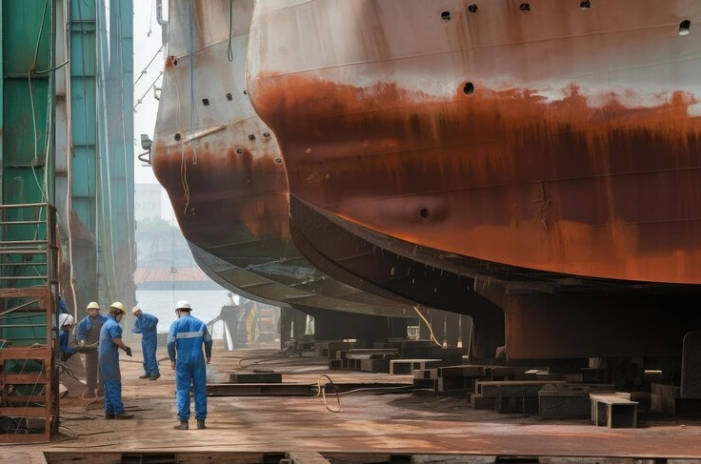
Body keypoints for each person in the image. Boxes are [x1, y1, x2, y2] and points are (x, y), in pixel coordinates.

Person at [167, 300, 213, 430]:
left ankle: (184, 423)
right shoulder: (200, 323)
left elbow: (170, 343)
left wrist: (172, 359)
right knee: (200, 389)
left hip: (182, 359)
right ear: (189, 311)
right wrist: (208, 355)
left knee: (182, 390)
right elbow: (209, 341)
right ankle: (201, 422)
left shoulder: (175, 324)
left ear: (178, 311)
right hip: (198, 359)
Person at [98, 302, 133, 419]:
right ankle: (119, 411)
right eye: (121, 315)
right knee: (114, 383)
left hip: (103, 356)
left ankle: (110, 411)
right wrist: (126, 349)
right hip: (109, 356)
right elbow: (116, 340)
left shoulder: (106, 323)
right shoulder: (113, 325)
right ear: (118, 313)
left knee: (108, 383)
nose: (121, 318)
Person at [75, 301, 109, 398]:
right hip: (90, 350)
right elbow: (80, 334)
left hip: (103, 348)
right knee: (90, 370)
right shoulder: (84, 322)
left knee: (103, 369)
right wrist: (82, 342)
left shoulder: (105, 320)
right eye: (91, 310)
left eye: (94, 310)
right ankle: (90, 390)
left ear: (98, 310)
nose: (93, 311)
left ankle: (102, 390)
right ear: (88, 311)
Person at [131, 306, 160, 380]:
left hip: (151, 339)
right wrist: (140, 330)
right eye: (135, 313)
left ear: (140, 311)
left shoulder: (146, 316)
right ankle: (148, 372)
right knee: (146, 357)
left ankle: (155, 373)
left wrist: (150, 327)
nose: (136, 314)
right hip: (144, 340)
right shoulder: (137, 320)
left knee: (150, 356)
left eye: (137, 312)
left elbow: (155, 319)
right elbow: (134, 329)